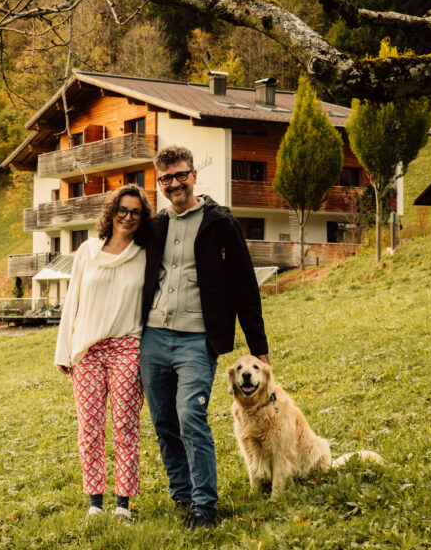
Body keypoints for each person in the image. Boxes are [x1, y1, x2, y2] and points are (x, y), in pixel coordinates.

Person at [140, 146, 271, 528]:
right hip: (153, 338)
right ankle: (182, 496)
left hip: (197, 339)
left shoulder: (220, 223)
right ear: (159, 183)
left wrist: (258, 348)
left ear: (194, 175)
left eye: (181, 175)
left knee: (190, 416)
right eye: (166, 178)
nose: (175, 183)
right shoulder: (156, 226)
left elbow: (246, 287)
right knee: (164, 421)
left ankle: (204, 506)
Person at [54, 184, 153, 521]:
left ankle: (122, 505)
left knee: (126, 428)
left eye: (135, 212)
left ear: (142, 218)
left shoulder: (144, 254)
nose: (128, 217)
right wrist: (64, 351)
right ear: (111, 212)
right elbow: (73, 302)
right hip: (88, 351)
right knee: (90, 428)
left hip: (128, 348)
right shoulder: (87, 251)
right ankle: (95, 503)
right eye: (122, 210)